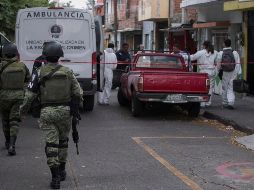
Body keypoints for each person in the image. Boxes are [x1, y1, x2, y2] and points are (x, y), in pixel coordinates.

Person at [20, 41, 82, 189]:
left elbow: (28, 96)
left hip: (47, 113)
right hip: (65, 113)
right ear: (60, 56)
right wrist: (75, 109)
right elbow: (78, 93)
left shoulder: (38, 72)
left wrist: (22, 112)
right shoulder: (68, 71)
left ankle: (55, 178)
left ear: (45, 56)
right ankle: (62, 170)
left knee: (51, 144)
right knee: (63, 142)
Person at [0, 43, 30, 155]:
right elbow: (28, 79)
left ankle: (7, 141)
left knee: (5, 120)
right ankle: (12, 145)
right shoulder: (22, 66)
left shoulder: (1, 66)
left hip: (3, 97)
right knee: (14, 121)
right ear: (16, 53)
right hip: (18, 97)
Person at [216, 39, 242, 109]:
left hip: (225, 72)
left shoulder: (221, 53)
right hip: (233, 72)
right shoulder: (235, 52)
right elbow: (238, 63)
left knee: (224, 87)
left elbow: (218, 64)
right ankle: (231, 102)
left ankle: (224, 103)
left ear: (224, 44)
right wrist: (238, 72)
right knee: (231, 87)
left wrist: (218, 71)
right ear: (230, 44)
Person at [191, 41, 217, 107]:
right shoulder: (215, 52)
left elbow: (192, 58)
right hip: (212, 72)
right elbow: (217, 62)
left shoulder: (201, 52)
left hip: (203, 73)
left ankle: (202, 103)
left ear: (204, 46)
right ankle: (208, 102)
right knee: (210, 88)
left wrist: (183, 56)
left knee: (203, 87)